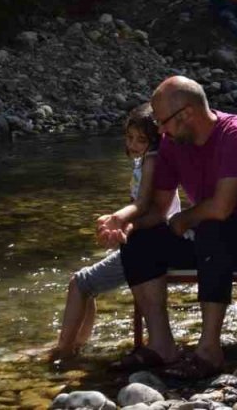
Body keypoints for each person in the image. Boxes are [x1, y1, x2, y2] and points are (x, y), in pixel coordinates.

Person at [102, 77, 237, 379]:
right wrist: (123, 224)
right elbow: (159, 211)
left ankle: (209, 351)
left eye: (163, 123)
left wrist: (184, 220)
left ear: (186, 113)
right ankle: (162, 346)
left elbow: (221, 207)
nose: (160, 131)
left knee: (212, 228)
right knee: (140, 239)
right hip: (211, 238)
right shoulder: (174, 144)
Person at [49, 105, 181, 361]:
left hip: (148, 243)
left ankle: (64, 349)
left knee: (80, 282)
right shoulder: (145, 160)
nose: (133, 144)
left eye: (141, 139)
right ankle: (75, 344)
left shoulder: (152, 160)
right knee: (84, 283)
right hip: (145, 237)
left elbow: (143, 205)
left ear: (155, 139)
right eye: (130, 137)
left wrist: (118, 220)